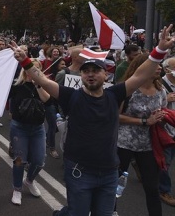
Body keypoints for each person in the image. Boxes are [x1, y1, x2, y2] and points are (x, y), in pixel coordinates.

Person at [10, 24, 175, 216]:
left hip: (108, 174)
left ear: (105, 75)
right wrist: (25, 62)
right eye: (86, 71)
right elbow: (44, 81)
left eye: (96, 70)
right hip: (79, 172)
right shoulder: (71, 96)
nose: (90, 74)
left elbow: (140, 74)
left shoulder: (114, 95)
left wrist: (161, 49)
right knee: (77, 213)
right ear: (81, 75)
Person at [116, 54, 166, 216]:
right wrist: (144, 121)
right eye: (155, 64)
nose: (159, 67)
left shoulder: (160, 90)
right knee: (114, 185)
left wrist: (163, 117)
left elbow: (162, 111)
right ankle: (109, 211)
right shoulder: (127, 89)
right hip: (123, 144)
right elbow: (115, 116)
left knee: (152, 187)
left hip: (148, 145)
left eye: (160, 64)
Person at [8, 59, 49, 206]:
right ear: (24, 70)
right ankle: (17, 189)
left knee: (39, 160)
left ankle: (29, 181)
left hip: (38, 128)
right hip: (19, 128)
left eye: (36, 69)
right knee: (20, 161)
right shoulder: (16, 86)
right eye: (30, 68)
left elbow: (47, 100)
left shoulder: (43, 85)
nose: (32, 71)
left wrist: (38, 84)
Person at [160, 57, 175, 206]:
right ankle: (164, 190)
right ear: (167, 69)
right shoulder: (159, 85)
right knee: (166, 162)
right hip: (166, 130)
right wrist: (165, 99)